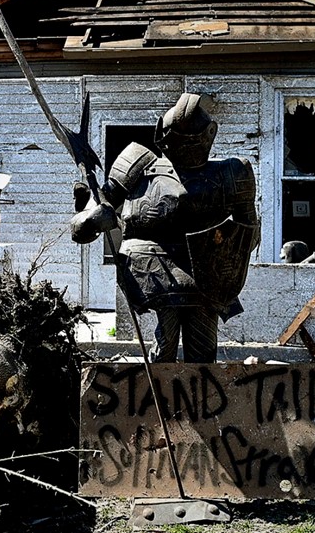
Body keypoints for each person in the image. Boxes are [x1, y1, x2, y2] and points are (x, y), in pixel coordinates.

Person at [70, 93, 259, 363]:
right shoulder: (139, 164)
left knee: (203, 349)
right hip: (154, 268)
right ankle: (158, 394)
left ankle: (199, 400)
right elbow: (90, 213)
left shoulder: (232, 172)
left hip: (206, 270)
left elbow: (247, 232)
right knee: (166, 341)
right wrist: (92, 219)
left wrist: (226, 254)